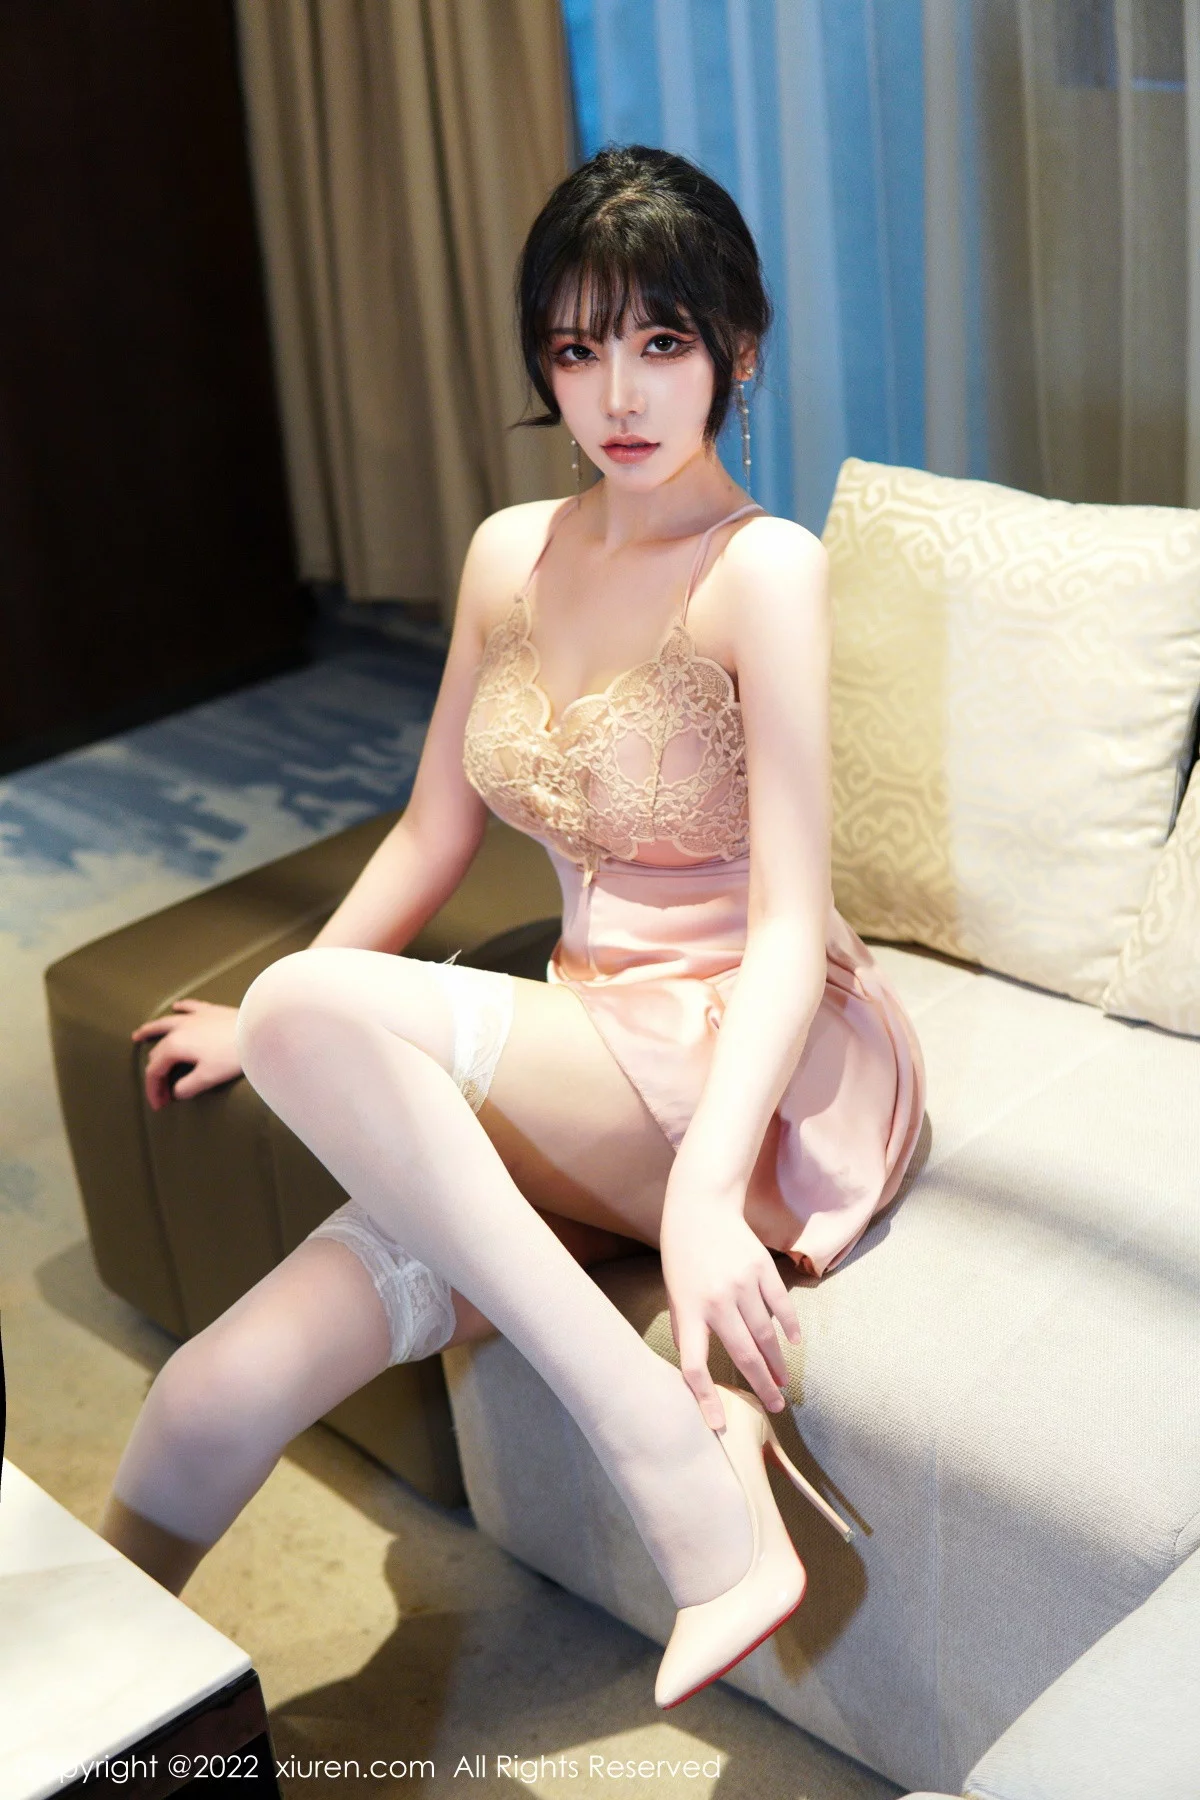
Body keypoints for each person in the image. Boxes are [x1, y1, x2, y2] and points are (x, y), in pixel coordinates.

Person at [99, 145, 926, 1709]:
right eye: (577, 347)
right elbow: (436, 829)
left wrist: (703, 1200)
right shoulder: (507, 553)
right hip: (581, 1048)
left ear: (739, 351)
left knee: (306, 1007)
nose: (620, 392)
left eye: (662, 341)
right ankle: (69, 1720)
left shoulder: (764, 570)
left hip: (752, 1066)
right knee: (212, 1389)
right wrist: (269, 1018)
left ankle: (673, 1466)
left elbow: (790, 919)